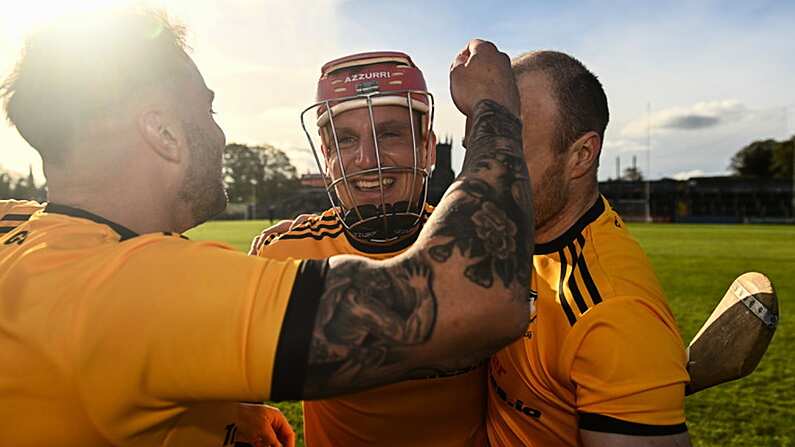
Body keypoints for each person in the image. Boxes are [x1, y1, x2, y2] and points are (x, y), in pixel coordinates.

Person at [0, 7, 534, 446]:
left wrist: (224, 412)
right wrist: (495, 111)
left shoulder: (15, 224)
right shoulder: (144, 288)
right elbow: (474, 300)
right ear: (163, 133)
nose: (220, 135)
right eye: (205, 112)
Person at [251, 51, 488, 446]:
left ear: (428, 148)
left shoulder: (483, 241)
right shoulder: (283, 257)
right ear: (326, 157)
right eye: (346, 140)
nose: (368, 159)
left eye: (390, 134)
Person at [486, 51, 691, 447]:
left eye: (511, 145)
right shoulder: (517, 234)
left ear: (580, 155)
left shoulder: (614, 316)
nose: (485, 170)